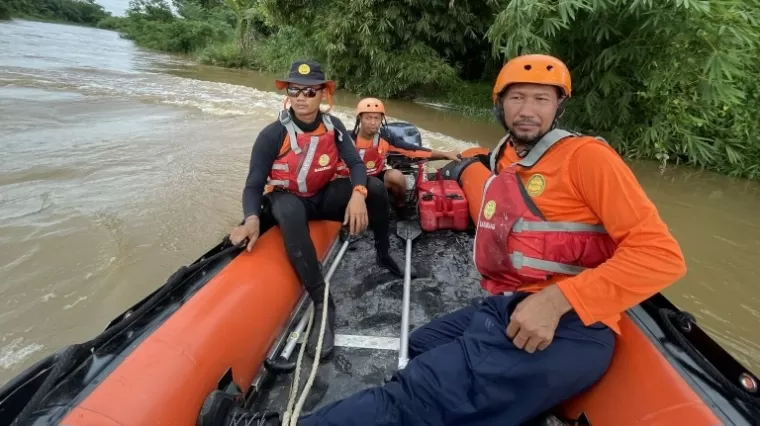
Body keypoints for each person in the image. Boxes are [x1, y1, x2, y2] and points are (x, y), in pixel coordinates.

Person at [225, 54, 687, 425]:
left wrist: (557, 301)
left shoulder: (588, 159)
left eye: (542, 100)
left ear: (558, 106)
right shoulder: (507, 157)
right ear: (499, 105)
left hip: (569, 322)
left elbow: (662, 256)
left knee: (413, 392)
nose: (528, 110)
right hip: (511, 302)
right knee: (425, 343)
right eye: (518, 98)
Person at [229, 60, 407, 360]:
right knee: (288, 211)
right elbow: (253, 185)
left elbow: (355, 165)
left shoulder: (334, 127)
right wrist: (251, 218)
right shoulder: (272, 135)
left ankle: (383, 252)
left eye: (310, 92)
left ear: (324, 94)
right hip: (287, 198)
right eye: (295, 90)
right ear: (288, 93)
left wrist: (358, 194)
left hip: (321, 196)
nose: (301, 97)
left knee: (376, 189)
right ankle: (323, 301)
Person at [337, 98, 461, 214]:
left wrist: (445, 154)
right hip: (351, 181)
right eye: (368, 118)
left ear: (382, 119)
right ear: (359, 118)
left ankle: (400, 207)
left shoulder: (385, 137)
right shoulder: (345, 140)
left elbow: (412, 150)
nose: (373, 123)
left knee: (396, 176)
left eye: (377, 118)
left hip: (376, 178)